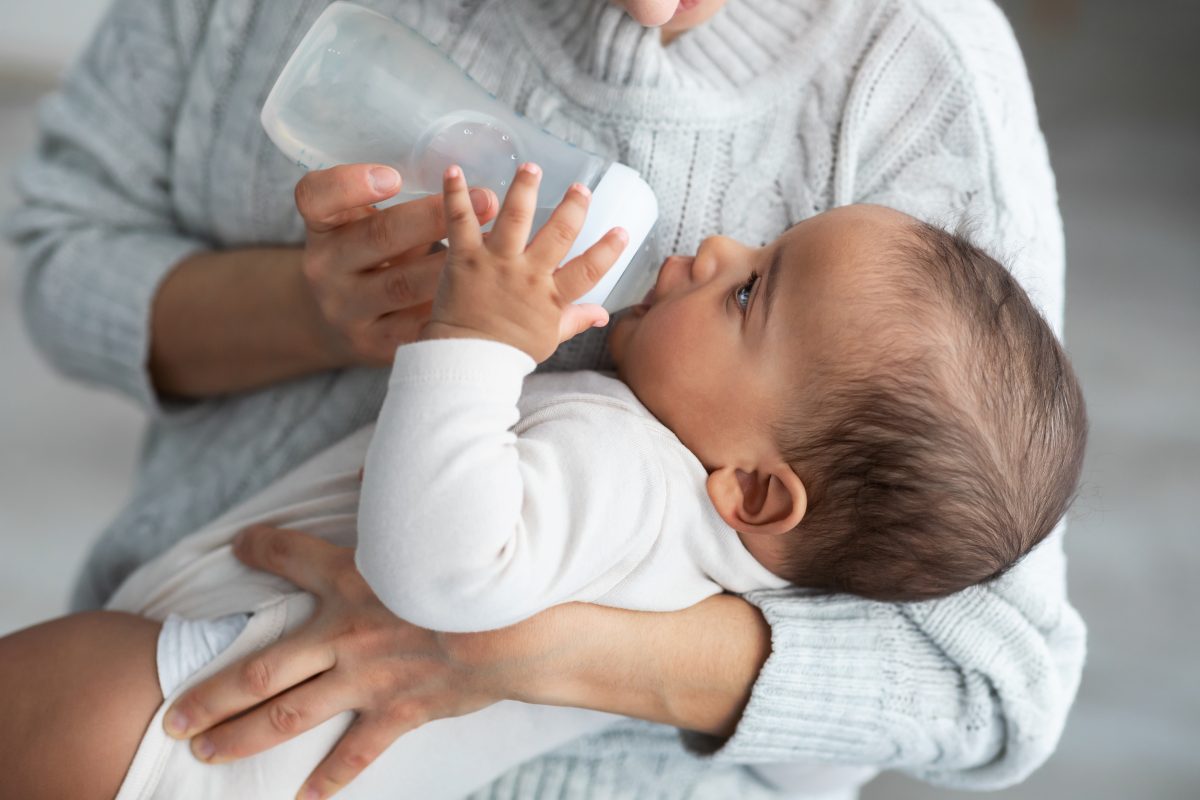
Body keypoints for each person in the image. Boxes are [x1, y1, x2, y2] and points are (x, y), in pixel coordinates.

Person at [2, 0, 1086, 799]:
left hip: (211, 723)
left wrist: (545, 651)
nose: (714, 247)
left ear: (755, 489)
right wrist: (314, 307)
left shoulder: (910, 69)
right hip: (197, 656)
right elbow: (62, 255)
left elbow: (992, 681)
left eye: (753, 284)